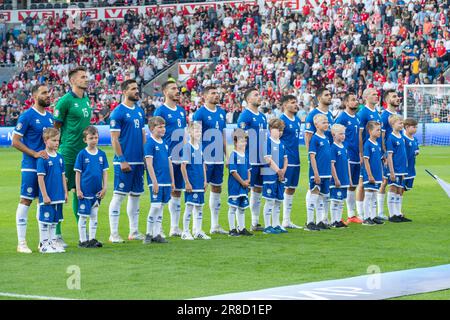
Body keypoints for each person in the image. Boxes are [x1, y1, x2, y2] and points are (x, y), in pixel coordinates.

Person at [12, 84, 54, 254]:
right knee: (26, 200)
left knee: (43, 202)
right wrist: (34, 154)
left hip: (46, 166)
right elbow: (15, 141)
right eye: (44, 93)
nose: (48, 95)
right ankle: (21, 243)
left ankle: (43, 242)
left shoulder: (50, 118)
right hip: (30, 166)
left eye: (48, 92)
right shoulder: (27, 116)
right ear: (35, 96)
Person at [53, 66, 92, 248]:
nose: (87, 79)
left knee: (80, 192)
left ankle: (82, 234)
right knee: (61, 192)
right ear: (73, 81)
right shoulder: (65, 101)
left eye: (87, 76)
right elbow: (56, 127)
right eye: (83, 77)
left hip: (84, 153)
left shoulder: (86, 99)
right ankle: (56, 234)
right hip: (68, 152)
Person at [108, 79, 146, 243]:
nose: (136, 91)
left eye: (137, 88)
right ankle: (114, 233)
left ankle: (134, 231)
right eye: (132, 89)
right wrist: (122, 160)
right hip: (124, 161)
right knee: (118, 196)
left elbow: (143, 135)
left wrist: (145, 156)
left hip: (138, 161)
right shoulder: (118, 112)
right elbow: (114, 139)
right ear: (124, 92)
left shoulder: (139, 111)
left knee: (135, 196)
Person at [153, 81, 187, 238]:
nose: (177, 91)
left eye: (178, 89)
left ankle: (174, 227)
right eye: (173, 89)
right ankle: (157, 229)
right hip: (165, 157)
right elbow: (155, 133)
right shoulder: (161, 111)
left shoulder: (181, 111)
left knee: (177, 191)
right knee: (164, 191)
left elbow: (184, 133)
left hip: (180, 156)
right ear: (165, 92)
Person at [193, 86, 228, 235]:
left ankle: (215, 225)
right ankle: (197, 228)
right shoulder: (200, 113)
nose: (216, 95)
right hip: (205, 157)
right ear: (205, 96)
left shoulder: (221, 112)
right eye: (213, 93)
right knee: (201, 188)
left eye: (217, 93)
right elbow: (195, 135)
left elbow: (223, 136)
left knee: (217, 188)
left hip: (218, 158)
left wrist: (227, 156)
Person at [237, 88, 268, 232]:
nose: (259, 96)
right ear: (248, 99)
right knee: (245, 189)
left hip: (261, 159)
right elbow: (240, 136)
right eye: (256, 95)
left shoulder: (262, 116)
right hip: (250, 158)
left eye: (259, 94)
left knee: (258, 190)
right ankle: (239, 224)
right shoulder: (245, 116)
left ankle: (255, 222)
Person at [74, 126, 109, 248]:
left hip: (97, 191)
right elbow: (78, 173)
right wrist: (78, 189)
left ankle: (92, 239)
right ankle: (83, 240)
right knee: (83, 216)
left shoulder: (102, 154)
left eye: (96, 137)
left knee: (94, 216)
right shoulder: (82, 154)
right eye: (91, 138)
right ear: (85, 140)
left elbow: (105, 172)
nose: (94, 140)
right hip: (84, 192)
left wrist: (105, 188)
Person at [304, 87, 334, 225]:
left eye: (330, 94)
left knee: (325, 193)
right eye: (326, 95)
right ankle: (311, 221)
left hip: (327, 160)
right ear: (319, 97)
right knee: (315, 189)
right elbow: (308, 138)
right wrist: (311, 158)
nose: (330, 97)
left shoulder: (330, 115)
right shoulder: (313, 115)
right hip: (317, 159)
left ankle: (322, 220)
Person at [143, 116, 175, 244]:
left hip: (166, 181)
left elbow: (169, 163)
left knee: (161, 207)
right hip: (157, 181)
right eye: (159, 127)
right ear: (151, 129)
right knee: (155, 206)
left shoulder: (165, 144)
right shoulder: (150, 143)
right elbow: (149, 164)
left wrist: (172, 181)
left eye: (164, 126)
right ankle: (148, 233)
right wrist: (154, 181)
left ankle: (157, 234)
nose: (163, 129)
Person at [37, 128, 68, 253]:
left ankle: (52, 242)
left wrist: (65, 192)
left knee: (55, 220)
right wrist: (44, 195)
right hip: (48, 196)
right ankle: (44, 245)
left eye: (58, 140)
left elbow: (62, 176)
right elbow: (40, 178)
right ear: (45, 140)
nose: (57, 143)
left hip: (58, 195)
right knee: (45, 221)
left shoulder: (60, 157)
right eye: (54, 140)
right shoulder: (42, 158)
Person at [335, 93, 363, 224]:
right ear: (346, 103)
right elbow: (334, 133)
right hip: (346, 155)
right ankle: (337, 216)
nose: (356, 102)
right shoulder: (342, 118)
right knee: (343, 184)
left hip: (356, 155)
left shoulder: (357, 118)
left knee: (353, 185)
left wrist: (361, 153)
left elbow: (359, 138)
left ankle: (351, 215)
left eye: (356, 100)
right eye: (352, 100)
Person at [181, 122, 210, 240]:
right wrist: (187, 182)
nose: (198, 133)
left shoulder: (200, 147)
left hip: (199, 182)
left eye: (200, 131)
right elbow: (183, 166)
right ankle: (185, 231)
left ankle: (198, 231)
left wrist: (205, 180)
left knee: (199, 207)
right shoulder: (187, 147)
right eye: (196, 131)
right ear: (190, 132)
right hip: (191, 183)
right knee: (189, 207)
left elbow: (203, 165)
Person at [356, 88, 381, 222]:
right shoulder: (363, 113)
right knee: (362, 182)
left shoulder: (376, 112)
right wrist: (360, 152)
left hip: (375, 151)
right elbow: (360, 134)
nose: (376, 96)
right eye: (373, 94)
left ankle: (371, 214)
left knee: (373, 184)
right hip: (366, 152)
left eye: (377, 94)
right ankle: (361, 213)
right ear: (366, 97)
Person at [279, 95, 302, 229]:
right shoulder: (281, 120)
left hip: (296, 158)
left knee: (291, 188)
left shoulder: (298, 120)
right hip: (285, 159)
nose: (295, 105)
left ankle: (287, 220)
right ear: (285, 105)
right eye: (292, 103)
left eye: (296, 102)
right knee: (282, 188)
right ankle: (278, 220)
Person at [262, 118, 288, 235]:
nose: (280, 132)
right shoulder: (267, 142)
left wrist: (283, 170)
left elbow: (285, 159)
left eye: (281, 130)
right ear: (271, 129)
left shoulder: (282, 144)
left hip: (280, 176)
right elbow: (268, 159)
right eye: (278, 129)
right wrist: (278, 171)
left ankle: (276, 224)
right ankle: (267, 226)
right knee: (270, 201)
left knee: (278, 201)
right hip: (269, 174)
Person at [306, 114, 332, 231]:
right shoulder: (315, 139)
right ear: (316, 125)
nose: (326, 124)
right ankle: (310, 222)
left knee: (322, 198)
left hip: (326, 173)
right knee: (314, 195)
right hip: (318, 173)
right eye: (323, 122)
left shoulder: (326, 138)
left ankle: (320, 221)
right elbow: (312, 157)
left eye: (327, 122)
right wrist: (316, 173)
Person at [378, 89, 401, 220]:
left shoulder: (396, 114)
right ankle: (380, 212)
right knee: (385, 180)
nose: (397, 98)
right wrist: (384, 154)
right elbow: (382, 136)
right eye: (394, 96)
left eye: (398, 96)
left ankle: (395, 212)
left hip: (396, 155)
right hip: (387, 155)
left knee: (395, 181)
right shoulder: (384, 116)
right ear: (387, 100)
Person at [386, 115, 412, 223]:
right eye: (399, 123)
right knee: (393, 189)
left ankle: (398, 213)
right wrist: (391, 171)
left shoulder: (401, 136)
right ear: (393, 124)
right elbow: (390, 156)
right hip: (395, 169)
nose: (402, 125)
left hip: (402, 169)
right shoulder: (391, 138)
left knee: (399, 191)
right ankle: (392, 214)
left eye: (402, 123)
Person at [227, 129, 253, 237]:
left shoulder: (245, 156)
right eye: (241, 141)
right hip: (235, 186)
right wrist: (242, 182)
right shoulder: (234, 155)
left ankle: (241, 228)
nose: (244, 143)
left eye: (245, 141)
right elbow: (233, 172)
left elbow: (248, 170)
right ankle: (232, 229)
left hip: (244, 185)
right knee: (233, 207)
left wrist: (248, 181)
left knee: (242, 208)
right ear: (236, 142)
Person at [361, 121, 384, 226]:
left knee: (374, 195)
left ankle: (373, 216)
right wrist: (369, 175)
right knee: (369, 194)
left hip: (377, 174)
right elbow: (366, 160)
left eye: (380, 129)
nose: (379, 132)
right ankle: (366, 217)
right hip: (370, 175)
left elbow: (378, 161)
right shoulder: (368, 144)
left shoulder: (378, 144)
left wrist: (381, 174)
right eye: (377, 130)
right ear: (370, 131)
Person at [330, 124, 350, 228]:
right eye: (340, 134)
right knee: (335, 200)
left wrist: (349, 178)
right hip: (337, 180)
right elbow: (332, 164)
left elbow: (347, 164)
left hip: (345, 179)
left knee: (341, 200)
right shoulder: (333, 148)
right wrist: (336, 178)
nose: (343, 136)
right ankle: (334, 221)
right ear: (333, 134)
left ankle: (339, 220)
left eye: (344, 133)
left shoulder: (344, 147)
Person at [402, 118, 419, 214]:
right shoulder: (403, 139)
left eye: (416, 127)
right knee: (399, 190)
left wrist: (416, 152)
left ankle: (398, 211)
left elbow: (416, 150)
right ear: (407, 127)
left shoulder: (415, 139)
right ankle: (398, 211)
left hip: (411, 169)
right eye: (414, 127)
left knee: (405, 189)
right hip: (404, 169)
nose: (415, 129)